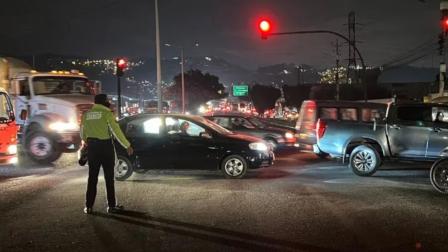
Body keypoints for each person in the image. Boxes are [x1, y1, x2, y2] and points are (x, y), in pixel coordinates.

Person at [80, 94, 133, 214]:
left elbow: (82, 133)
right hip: (105, 147)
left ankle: (88, 206)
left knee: (92, 178)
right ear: (104, 102)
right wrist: (127, 145)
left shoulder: (86, 115)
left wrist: (87, 141)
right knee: (109, 178)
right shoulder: (107, 113)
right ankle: (111, 206)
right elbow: (116, 131)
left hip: (92, 148)